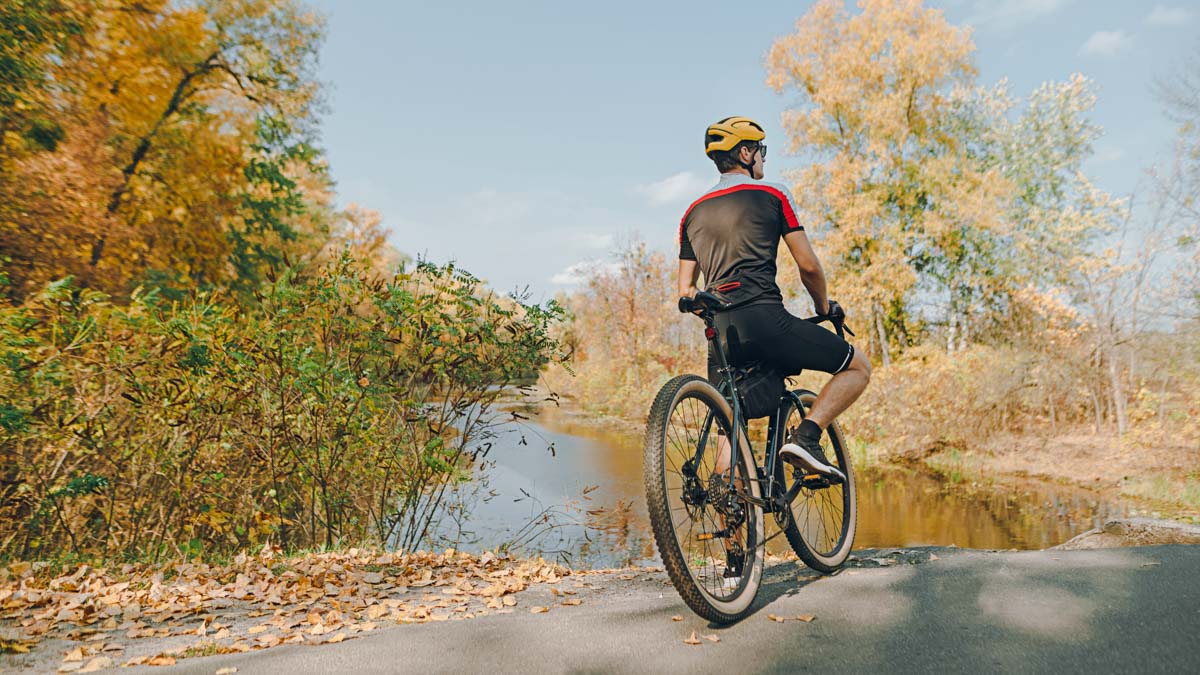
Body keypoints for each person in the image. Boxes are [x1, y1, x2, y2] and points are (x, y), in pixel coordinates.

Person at [678, 116, 871, 484]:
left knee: (727, 428)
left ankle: (736, 538)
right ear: (746, 153)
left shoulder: (692, 213)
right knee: (858, 366)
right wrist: (823, 307)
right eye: (761, 150)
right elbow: (809, 266)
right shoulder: (773, 195)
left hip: (719, 332)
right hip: (765, 319)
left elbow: (685, 290)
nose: (763, 158)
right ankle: (807, 438)